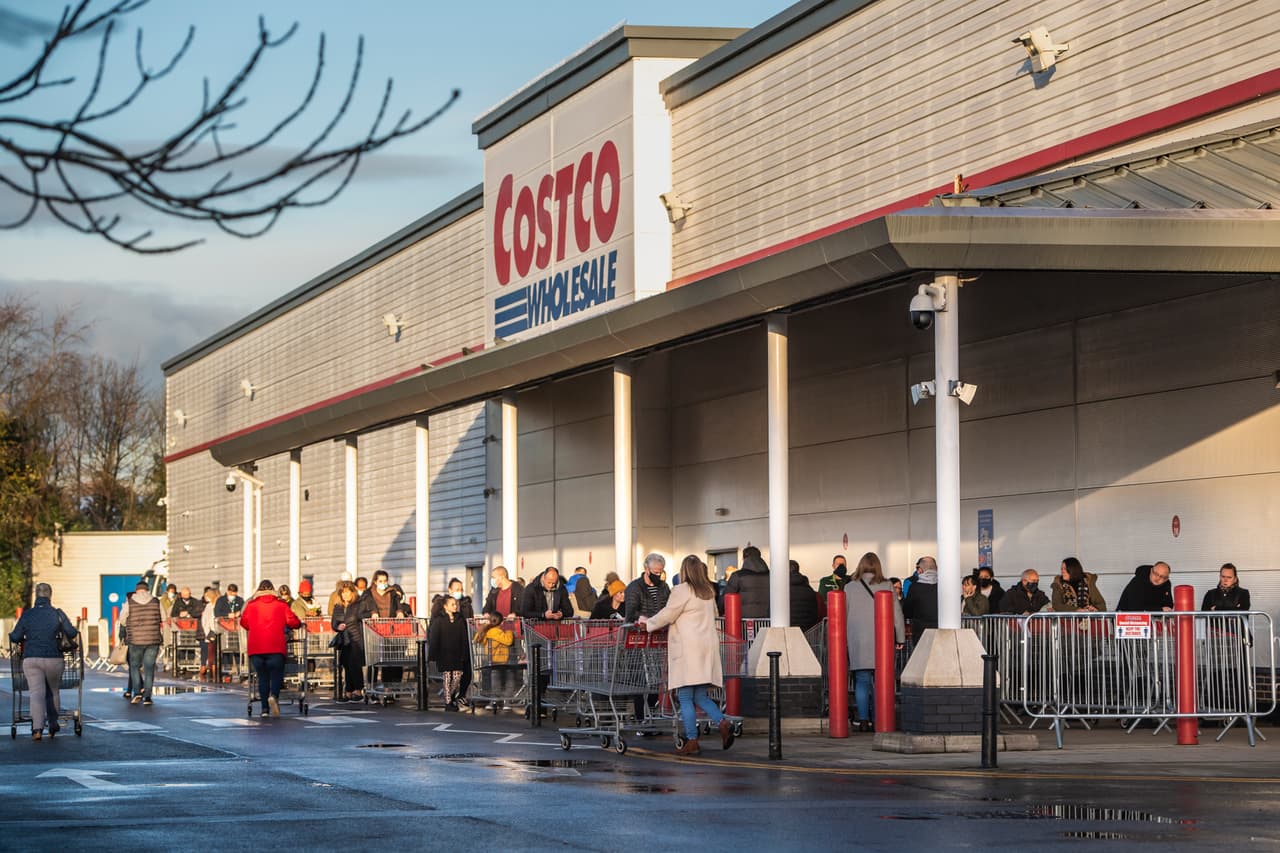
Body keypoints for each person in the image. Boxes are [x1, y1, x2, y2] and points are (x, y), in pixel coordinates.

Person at [639, 555, 735, 756]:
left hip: (687, 650)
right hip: (706, 648)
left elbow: (668, 614)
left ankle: (692, 740)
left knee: (684, 696)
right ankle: (723, 722)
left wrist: (647, 624)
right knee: (700, 695)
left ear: (685, 571)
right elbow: (714, 615)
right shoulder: (708, 591)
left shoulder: (681, 590)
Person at [8, 583, 78, 740]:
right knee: (53, 692)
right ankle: (53, 724)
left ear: (36, 595)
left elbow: (15, 636)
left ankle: (37, 729)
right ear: (50, 595)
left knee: (36, 694)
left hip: (32, 659)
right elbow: (72, 633)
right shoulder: (58, 613)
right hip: (54, 659)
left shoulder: (27, 614)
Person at [844, 552, 904, 732]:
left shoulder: (849, 587)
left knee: (862, 680)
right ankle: (880, 720)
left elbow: (843, 614)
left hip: (857, 640)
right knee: (881, 681)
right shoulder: (887, 585)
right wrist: (900, 637)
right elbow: (897, 614)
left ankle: (863, 720)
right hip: (882, 640)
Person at [239, 580, 303, 717]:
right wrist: (298, 624)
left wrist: (254, 626)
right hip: (276, 646)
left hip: (256, 647)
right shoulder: (281, 604)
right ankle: (273, 696)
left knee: (262, 677)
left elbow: (244, 622)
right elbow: (292, 621)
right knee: (276, 675)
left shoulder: (251, 605)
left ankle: (264, 710)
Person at [120, 580, 163, 705]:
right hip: (153, 639)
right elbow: (164, 617)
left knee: (134, 666)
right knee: (149, 668)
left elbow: (122, 619)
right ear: (147, 590)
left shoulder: (129, 602)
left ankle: (137, 692)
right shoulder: (156, 601)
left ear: (137, 590)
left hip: (135, 640)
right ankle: (148, 697)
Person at [428, 594, 470, 710]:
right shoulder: (439, 620)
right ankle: (448, 702)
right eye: (452, 604)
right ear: (445, 606)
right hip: (444, 654)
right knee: (447, 678)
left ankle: (450, 696)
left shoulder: (459, 619)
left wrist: (464, 653)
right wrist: (433, 654)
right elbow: (435, 638)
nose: (455, 606)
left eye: (455, 604)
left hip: (457, 653)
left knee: (457, 677)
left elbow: (464, 637)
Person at [329, 582, 366, 701]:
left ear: (352, 592)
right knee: (346, 664)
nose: (345, 595)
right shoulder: (338, 607)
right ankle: (349, 691)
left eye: (347, 592)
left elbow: (363, 616)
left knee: (355, 664)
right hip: (344, 639)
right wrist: (337, 626)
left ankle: (358, 690)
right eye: (343, 592)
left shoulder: (358, 604)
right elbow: (334, 623)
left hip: (356, 638)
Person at [473, 611, 517, 701]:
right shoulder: (495, 632)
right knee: (507, 676)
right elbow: (508, 641)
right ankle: (503, 699)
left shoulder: (486, 630)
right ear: (502, 622)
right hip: (499, 658)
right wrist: (509, 631)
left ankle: (494, 699)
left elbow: (477, 638)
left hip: (491, 658)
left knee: (495, 678)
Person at [721, 546, 769, 618]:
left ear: (744, 558)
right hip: (768, 620)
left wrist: (719, 612)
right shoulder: (771, 576)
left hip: (744, 621)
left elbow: (725, 598)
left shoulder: (738, 576)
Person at [626, 553, 671, 623]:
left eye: (660, 572)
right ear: (647, 569)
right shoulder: (634, 587)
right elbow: (631, 613)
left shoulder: (664, 587)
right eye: (656, 573)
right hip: (640, 628)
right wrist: (641, 617)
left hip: (661, 627)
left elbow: (669, 607)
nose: (658, 575)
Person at [901, 556, 939, 639]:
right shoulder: (943, 586)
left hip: (920, 631)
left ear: (920, 570)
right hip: (941, 630)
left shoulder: (914, 587)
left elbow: (907, 611)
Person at [788, 560, 820, 631]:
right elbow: (815, 614)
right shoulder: (809, 590)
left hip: (787, 631)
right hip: (807, 631)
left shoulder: (782, 591)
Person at [198, 587, 220, 681]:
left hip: (215, 631)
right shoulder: (209, 606)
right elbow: (205, 620)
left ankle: (214, 671)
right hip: (212, 632)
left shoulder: (215, 605)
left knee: (214, 652)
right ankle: (213, 671)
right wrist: (208, 631)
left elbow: (205, 620)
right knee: (212, 652)